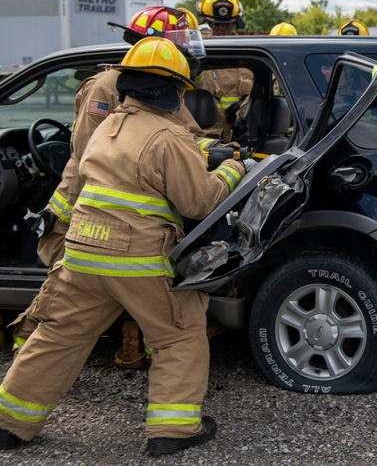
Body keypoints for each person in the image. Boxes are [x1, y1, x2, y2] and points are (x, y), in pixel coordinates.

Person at [0, 36, 252, 455]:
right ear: (174, 89)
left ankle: (10, 424)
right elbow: (199, 201)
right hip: (137, 260)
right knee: (179, 333)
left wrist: (205, 153)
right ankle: (173, 431)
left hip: (81, 252)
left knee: (60, 334)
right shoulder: (168, 138)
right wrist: (232, 168)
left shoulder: (107, 129)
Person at [12, 6, 208, 353]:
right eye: (175, 41)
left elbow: (187, 133)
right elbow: (91, 151)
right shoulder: (108, 85)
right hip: (84, 203)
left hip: (114, 206)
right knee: (63, 291)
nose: (184, 50)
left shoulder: (159, 86)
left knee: (100, 287)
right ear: (153, 43)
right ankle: (26, 345)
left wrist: (215, 152)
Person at [195, 0, 253, 141]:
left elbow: (262, 90)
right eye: (216, 23)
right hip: (208, 140)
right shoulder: (199, 55)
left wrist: (244, 108)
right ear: (208, 22)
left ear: (235, 22)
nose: (222, 27)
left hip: (242, 137)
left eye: (227, 23)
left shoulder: (250, 53)